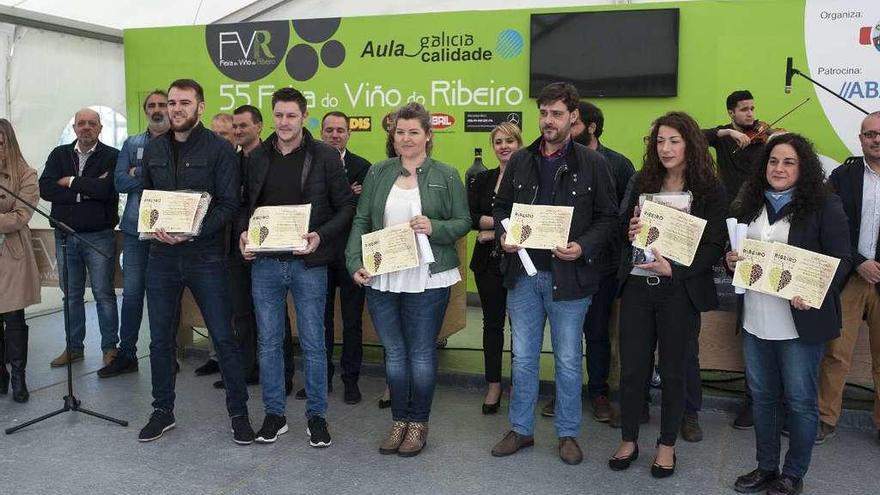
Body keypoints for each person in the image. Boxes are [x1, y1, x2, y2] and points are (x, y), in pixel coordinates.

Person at [490, 82, 618, 466]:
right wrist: (504, 233)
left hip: (571, 278)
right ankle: (521, 430)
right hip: (524, 275)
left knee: (565, 359)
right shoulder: (520, 160)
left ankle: (567, 434)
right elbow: (500, 207)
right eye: (543, 113)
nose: (548, 120)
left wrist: (582, 246)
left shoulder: (594, 164)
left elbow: (609, 218)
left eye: (556, 114)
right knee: (524, 358)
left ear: (573, 117)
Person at [726, 133, 850, 495]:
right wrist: (730, 258)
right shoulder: (749, 203)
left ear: (804, 168)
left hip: (798, 323)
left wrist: (813, 292)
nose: (778, 169)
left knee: (799, 402)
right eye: (773, 161)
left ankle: (793, 474)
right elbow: (736, 251)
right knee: (762, 398)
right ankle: (766, 468)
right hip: (755, 319)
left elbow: (842, 259)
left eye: (788, 162)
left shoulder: (824, 205)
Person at [345, 102, 470, 457]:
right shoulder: (379, 173)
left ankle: (419, 424)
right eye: (400, 132)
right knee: (395, 354)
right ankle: (399, 421)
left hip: (428, 279)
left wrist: (436, 227)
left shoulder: (446, 174)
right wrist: (354, 261)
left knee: (420, 354)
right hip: (384, 277)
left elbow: (463, 222)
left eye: (414, 132)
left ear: (428, 136)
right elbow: (361, 222)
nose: (406, 138)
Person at [608, 112, 726, 478]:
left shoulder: (709, 191)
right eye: (660, 141)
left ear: (690, 143)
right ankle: (629, 440)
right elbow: (623, 230)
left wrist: (675, 269)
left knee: (675, 371)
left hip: (679, 291)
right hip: (638, 285)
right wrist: (630, 229)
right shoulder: (644, 181)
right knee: (632, 368)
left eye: (674, 140)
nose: (666, 148)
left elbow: (713, 246)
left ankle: (666, 446)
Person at [137, 79, 253, 445]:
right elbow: (146, 195)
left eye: (184, 102)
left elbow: (229, 206)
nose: (175, 109)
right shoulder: (153, 148)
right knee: (159, 340)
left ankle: (239, 414)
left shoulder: (220, 150)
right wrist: (152, 226)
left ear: (200, 107)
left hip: (205, 257)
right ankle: (162, 411)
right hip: (161, 257)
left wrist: (194, 230)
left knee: (223, 336)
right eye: (171, 103)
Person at [237, 88, 354, 447]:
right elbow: (245, 204)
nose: (284, 122)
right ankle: (275, 415)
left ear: (304, 116)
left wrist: (320, 235)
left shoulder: (325, 156)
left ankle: (316, 417)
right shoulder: (256, 157)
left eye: (291, 115)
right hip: (266, 263)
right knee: (270, 343)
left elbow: (347, 207)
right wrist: (243, 234)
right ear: (272, 117)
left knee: (315, 344)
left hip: (309, 263)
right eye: (279, 115)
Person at [541, 100, 635, 423]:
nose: (564, 127)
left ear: (590, 127)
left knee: (597, 333)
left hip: (601, 266)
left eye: (574, 123)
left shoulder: (619, 166)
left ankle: (598, 392)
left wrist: (590, 246)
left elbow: (620, 221)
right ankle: (565, 392)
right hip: (561, 265)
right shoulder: (552, 160)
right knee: (564, 336)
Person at [293, 111, 370, 405]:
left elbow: (362, 207)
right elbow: (308, 204)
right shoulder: (307, 164)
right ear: (321, 132)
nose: (334, 135)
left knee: (352, 320)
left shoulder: (363, 167)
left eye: (340, 130)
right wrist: (345, 194)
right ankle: (321, 379)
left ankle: (351, 381)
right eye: (329, 130)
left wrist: (341, 197)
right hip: (319, 252)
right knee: (318, 320)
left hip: (352, 254)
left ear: (349, 133)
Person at [39, 108, 119, 368]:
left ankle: (110, 349)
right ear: (74, 128)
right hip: (64, 235)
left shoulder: (112, 156)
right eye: (81, 123)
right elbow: (46, 188)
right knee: (71, 296)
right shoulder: (59, 154)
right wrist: (86, 191)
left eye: (91, 123)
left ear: (100, 128)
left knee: (103, 294)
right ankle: (74, 348)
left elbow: (106, 190)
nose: (86, 127)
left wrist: (71, 182)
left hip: (99, 236)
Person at [818, 112, 880, 445]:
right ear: (860, 139)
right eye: (869, 134)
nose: (876, 140)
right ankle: (826, 418)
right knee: (836, 353)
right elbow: (832, 226)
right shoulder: (844, 175)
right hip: (853, 277)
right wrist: (858, 262)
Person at [102, 90, 169, 378]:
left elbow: (173, 183)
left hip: (167, 231)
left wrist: (138, 173)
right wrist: (147, 174)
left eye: (162, 105)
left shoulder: (179, 142)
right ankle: (127, 354)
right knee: (131, 295)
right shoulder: (132, 143)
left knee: (163, 296)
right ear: (145, 111)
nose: (157, 109)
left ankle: (164, 355)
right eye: (151, 105)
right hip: (133, 229)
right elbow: (119, 181)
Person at [468, 121, 522, 414]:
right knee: (492, 325)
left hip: (519, 263)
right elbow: (471, 217)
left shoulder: (530, 179)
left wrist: (491, 230)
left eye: (510, 141)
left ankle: (519, 384)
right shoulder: (482, 179)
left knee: (520, 328)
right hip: (487, 263)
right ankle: (493, 384)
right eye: (499, 142)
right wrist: (501, 224)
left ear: (519, 144)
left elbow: (528, 220)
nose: (504, 146)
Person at [0, 119, 41, 403]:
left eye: (2, 140)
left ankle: (19, 377)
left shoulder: (26, 174)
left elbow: (20, 217)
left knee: (13, 317)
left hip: (12, 254)